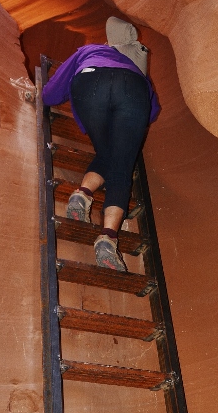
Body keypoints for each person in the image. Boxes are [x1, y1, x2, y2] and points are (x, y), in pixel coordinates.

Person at [42, 17, 160, 271]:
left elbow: (50, 94)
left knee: (106, 152)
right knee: (121, 166)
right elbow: (151, 111)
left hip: (90, 80)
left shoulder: (89, 50)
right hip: (133, 89)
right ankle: (107, 237)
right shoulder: (138, 70)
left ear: (109, 42)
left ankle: (82, 195)